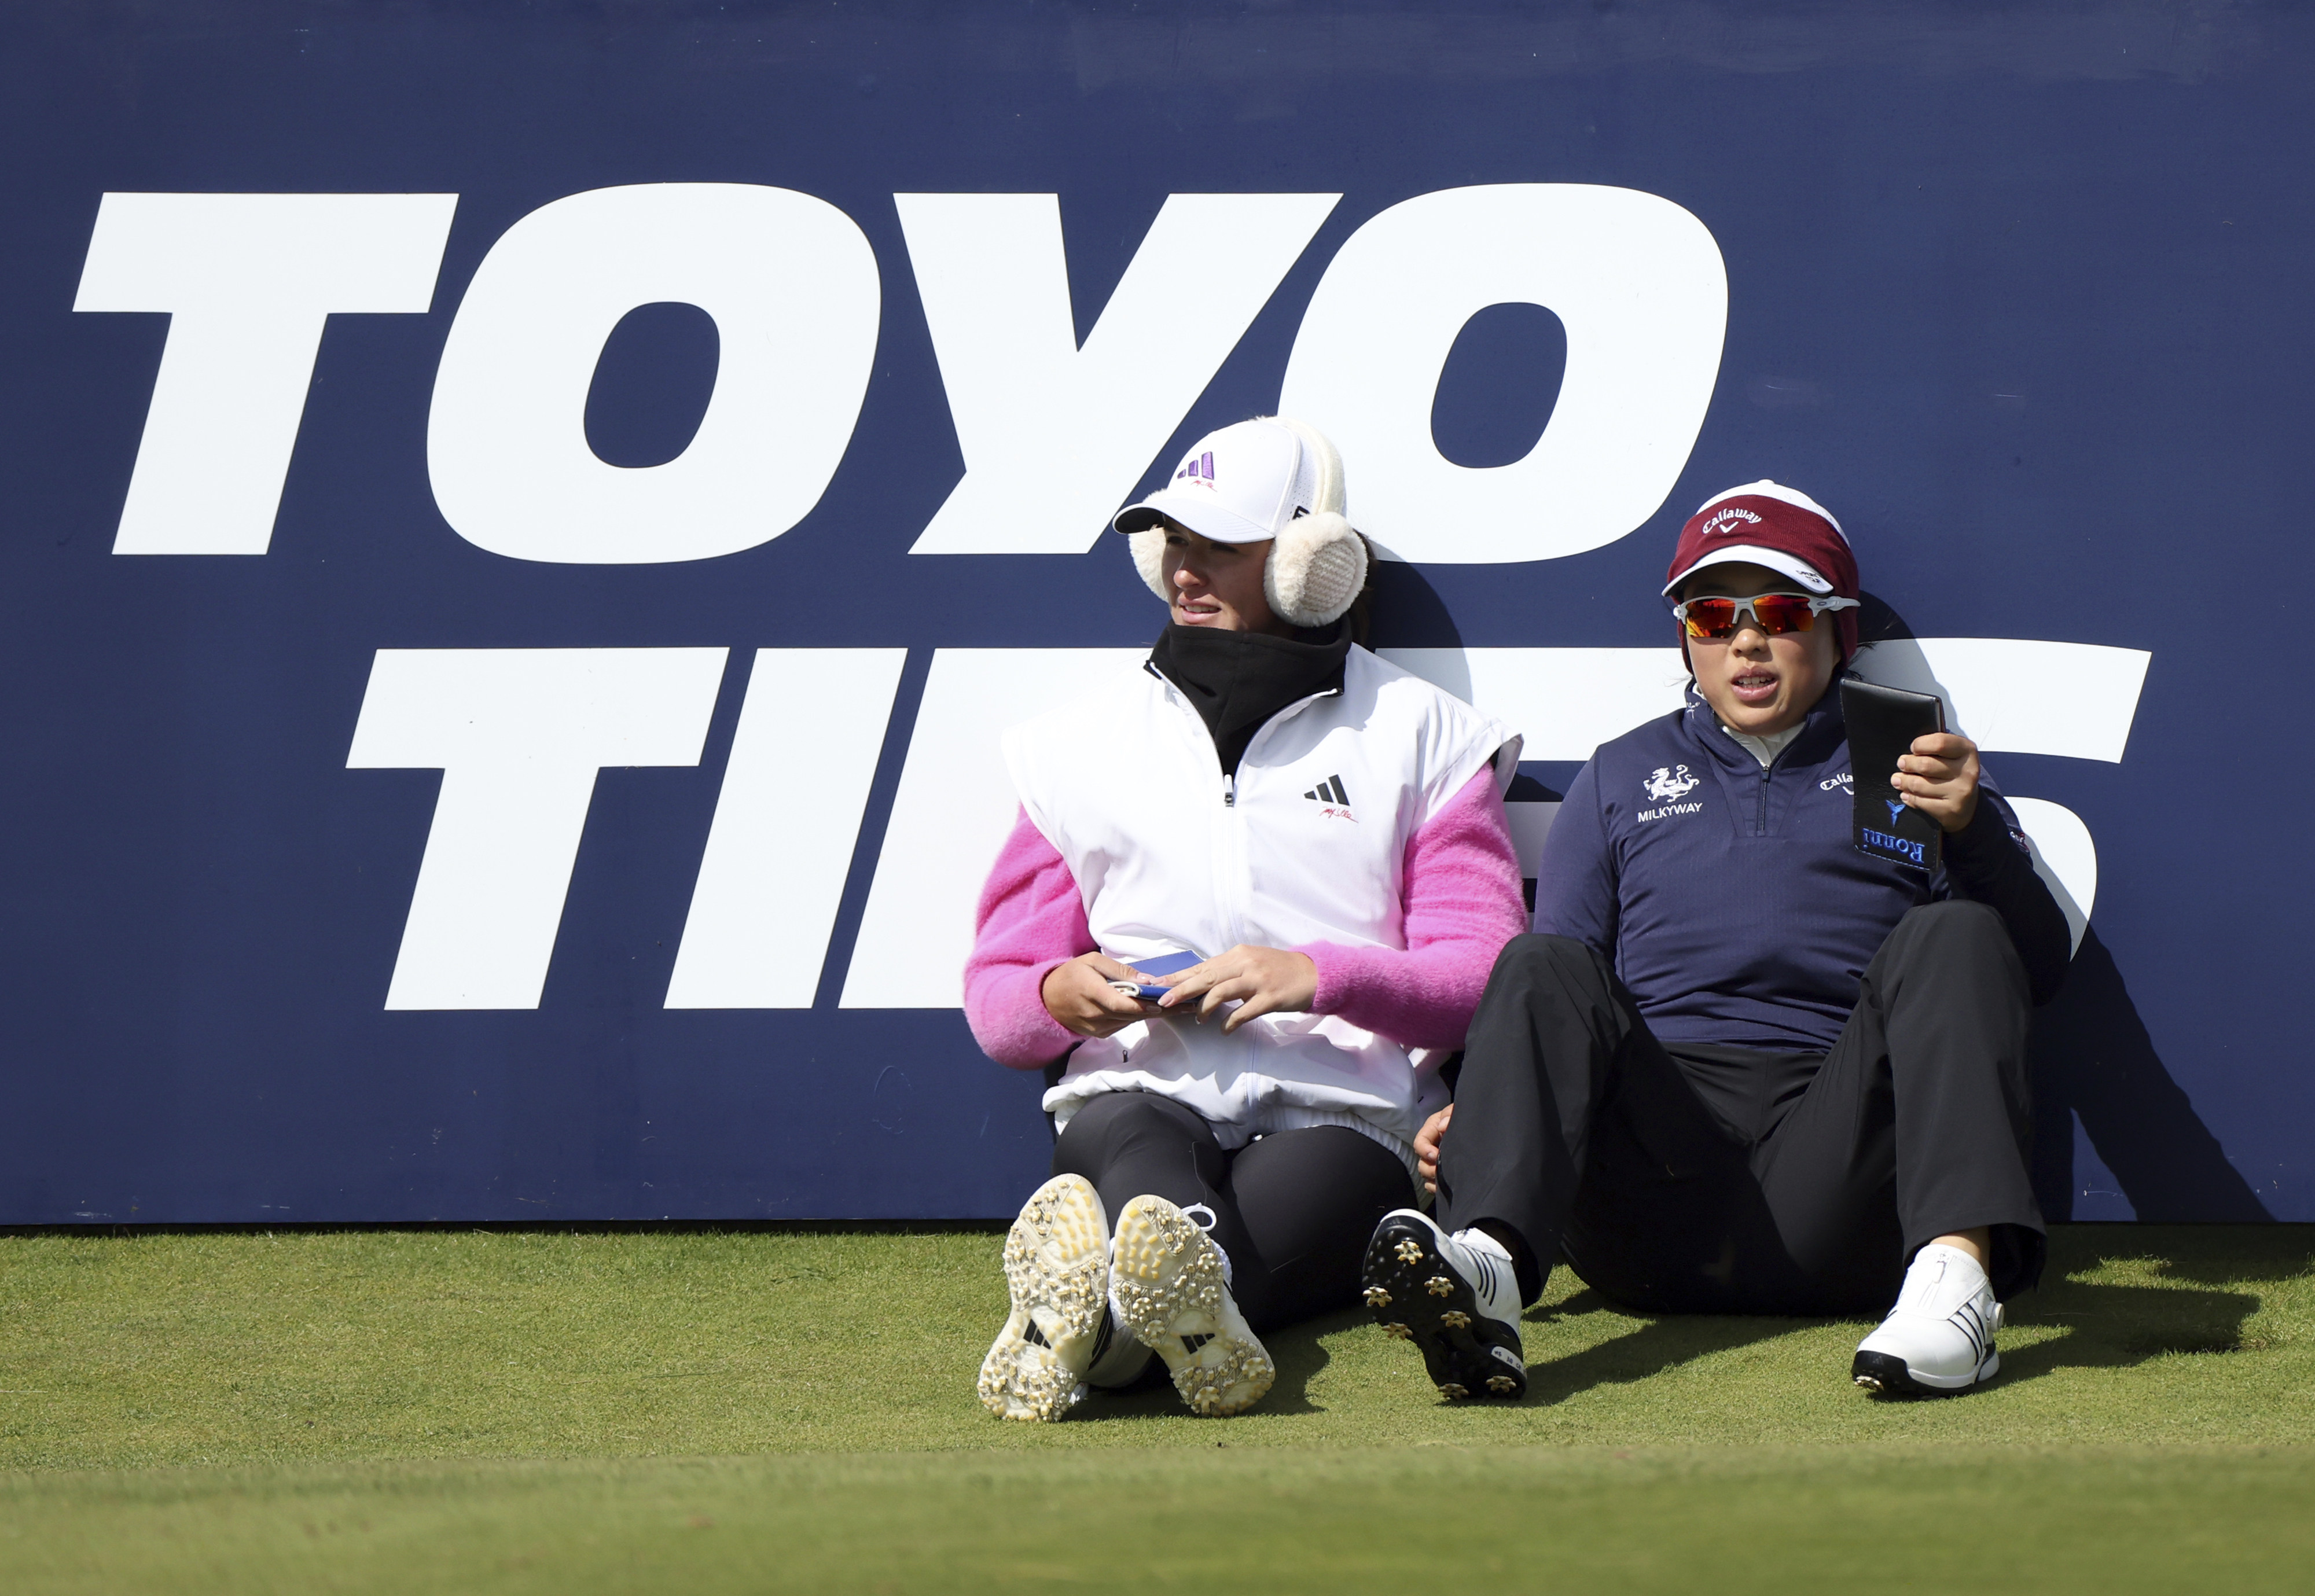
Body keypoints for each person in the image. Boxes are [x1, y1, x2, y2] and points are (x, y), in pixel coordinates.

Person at [1362, 481, 2071, 1401]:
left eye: (1779, 611)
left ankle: (1957, 1286)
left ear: (1837, 630)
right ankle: (1489, 1278)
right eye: (1710, 614)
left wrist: (1972, 832)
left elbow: (2036, 967)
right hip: (1655, 1199)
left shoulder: (1907, 760)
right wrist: (1489, 1122)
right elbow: (1553, 1001)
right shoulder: (1621, 772)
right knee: (1539, 960)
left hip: (1848, 1189)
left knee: (1956, 930)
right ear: (1687, 636)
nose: (1744, 639)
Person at [964, 416, 1529, 1421]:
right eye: (1173, 541)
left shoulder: (1430, 736)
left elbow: (1482, 972)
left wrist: (1319, 974)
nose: (1185, 570)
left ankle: (1098, 1337)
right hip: (1134, 1087)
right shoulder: (1072, 747)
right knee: (1141, 1159)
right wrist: (1060, 992)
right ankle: (1156, 1306)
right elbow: (1000, 1002)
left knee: (1235, 1215)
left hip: (1348, 1116)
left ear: (1315, 563)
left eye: (1221, 545)